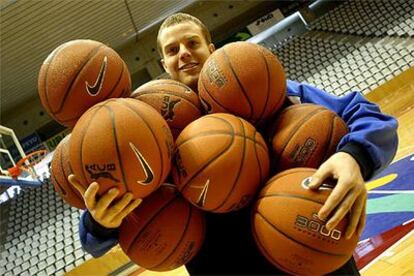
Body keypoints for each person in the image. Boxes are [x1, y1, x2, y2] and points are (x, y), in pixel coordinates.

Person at [69, 12, 398, 275]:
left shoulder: (265, 92)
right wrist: (101, 220)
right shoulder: (150, 130)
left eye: (192, 43)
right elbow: (93, 240)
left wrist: (353, 158)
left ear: (211, 50)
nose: (184, 54)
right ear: (164, 66)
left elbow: (366, 115)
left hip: (307, 251)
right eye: (172, 50)